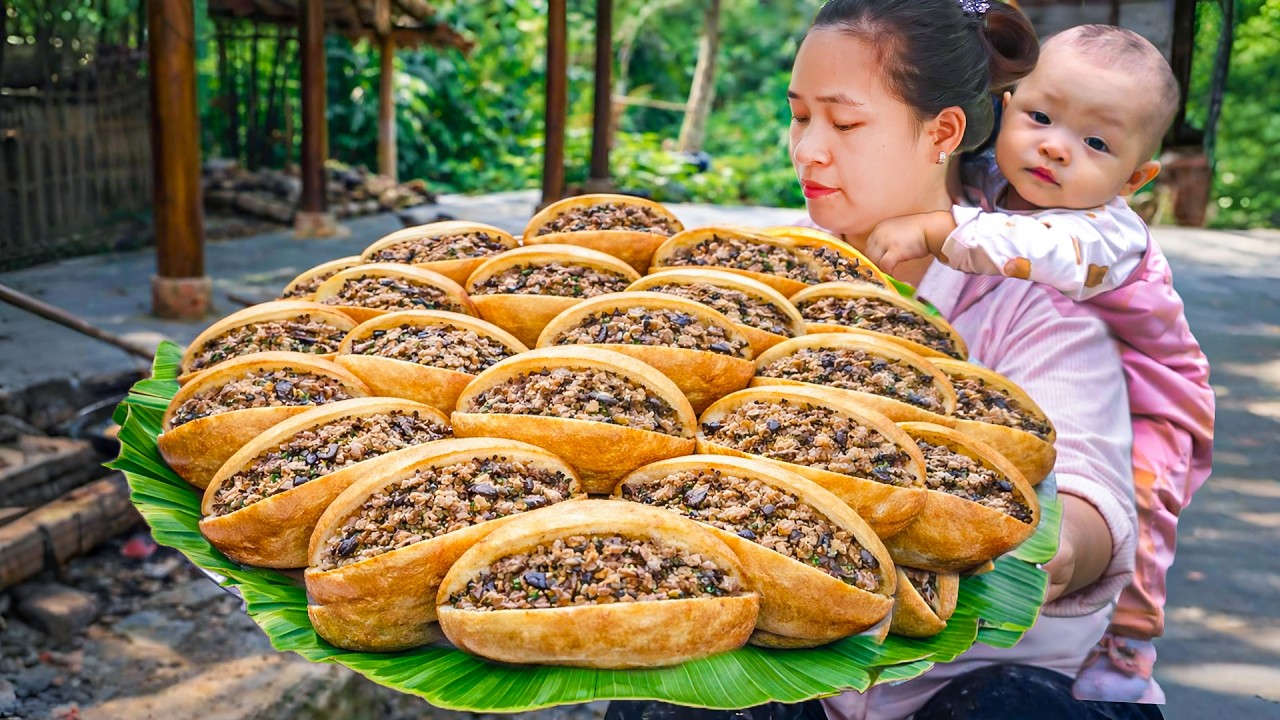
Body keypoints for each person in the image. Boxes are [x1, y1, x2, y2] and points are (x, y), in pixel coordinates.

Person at [610, 1, 1158, 718]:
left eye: (844, 123)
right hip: (802, 683)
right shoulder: (751, 278)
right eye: (799, 115)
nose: (807, 149)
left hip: (996, 690)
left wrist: (1028, 543)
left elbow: (1090, 513)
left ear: (942, 132)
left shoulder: (1037, 301)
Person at [862, 24, 1216, 704]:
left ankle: (1123, 661)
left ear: (1135, 178)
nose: (1056, 145)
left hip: (1159, 398)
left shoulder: (1109, 232)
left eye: (1097, 143)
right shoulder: (1000, 180)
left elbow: (1045, 250)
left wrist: (938, 230)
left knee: (1138, 522)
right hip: (1102, 366)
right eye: (1041, 117)